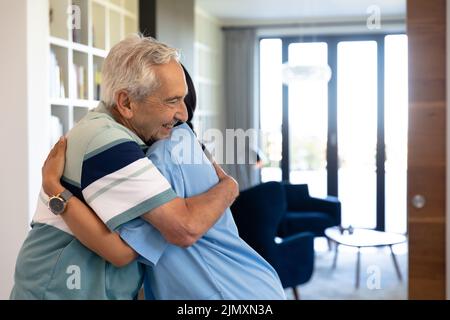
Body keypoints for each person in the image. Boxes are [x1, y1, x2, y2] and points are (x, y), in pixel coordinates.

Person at [10, 35, 238, 299]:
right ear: (126, 103)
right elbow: (184, 227)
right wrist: (230, 187)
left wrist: (54, 191)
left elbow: (124, 252)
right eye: (172, 100)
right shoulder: (107, 142)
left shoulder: (134, 141)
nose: (183, 115)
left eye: (183, 99)